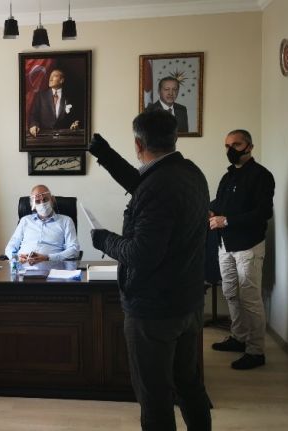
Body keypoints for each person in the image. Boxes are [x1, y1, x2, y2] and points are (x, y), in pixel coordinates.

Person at [88, 110, 211, 431]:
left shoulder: (158, 187)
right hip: (187, 301)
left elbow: (141, 254)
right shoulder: (190, 173)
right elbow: (144, 184)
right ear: (174, 138)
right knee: (189, 385)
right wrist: (106, 155)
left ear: (138, 144)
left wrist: (103, 239)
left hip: (155, 311)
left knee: (154, 397)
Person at [209, 129, 275, 370]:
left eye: (236, 145)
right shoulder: (228, 176)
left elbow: (263, 213)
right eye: (227, 146)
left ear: (249, 146)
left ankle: (256, 351)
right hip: (224, 245)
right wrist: (210, 210)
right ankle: (238, 337)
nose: (231, 150)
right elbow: (219, 203)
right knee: (230, 293)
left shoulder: (261, 176)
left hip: (248, 246)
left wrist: (226, 221)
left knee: (250, 299)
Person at [4, 185, 80, 264]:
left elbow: (74, 250)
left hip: (52, 267)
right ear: (32, 204)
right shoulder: (25, 220)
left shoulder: (66, 221)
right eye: (37, 201)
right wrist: (17, 258)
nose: (42, 204)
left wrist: (48, 257)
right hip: (23, 267)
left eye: (45, 199)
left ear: (52, 200)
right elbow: (10, 247)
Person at [28, 69, 82, 137]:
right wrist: (34, 125)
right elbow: (33, 115)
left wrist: (75, 123)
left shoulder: (70, 97)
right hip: (44, 137)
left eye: (54, 76)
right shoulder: (41, 96)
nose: (50, 79)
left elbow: (76, 116)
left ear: (61, 80)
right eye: (50, 76)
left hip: (65, 137)